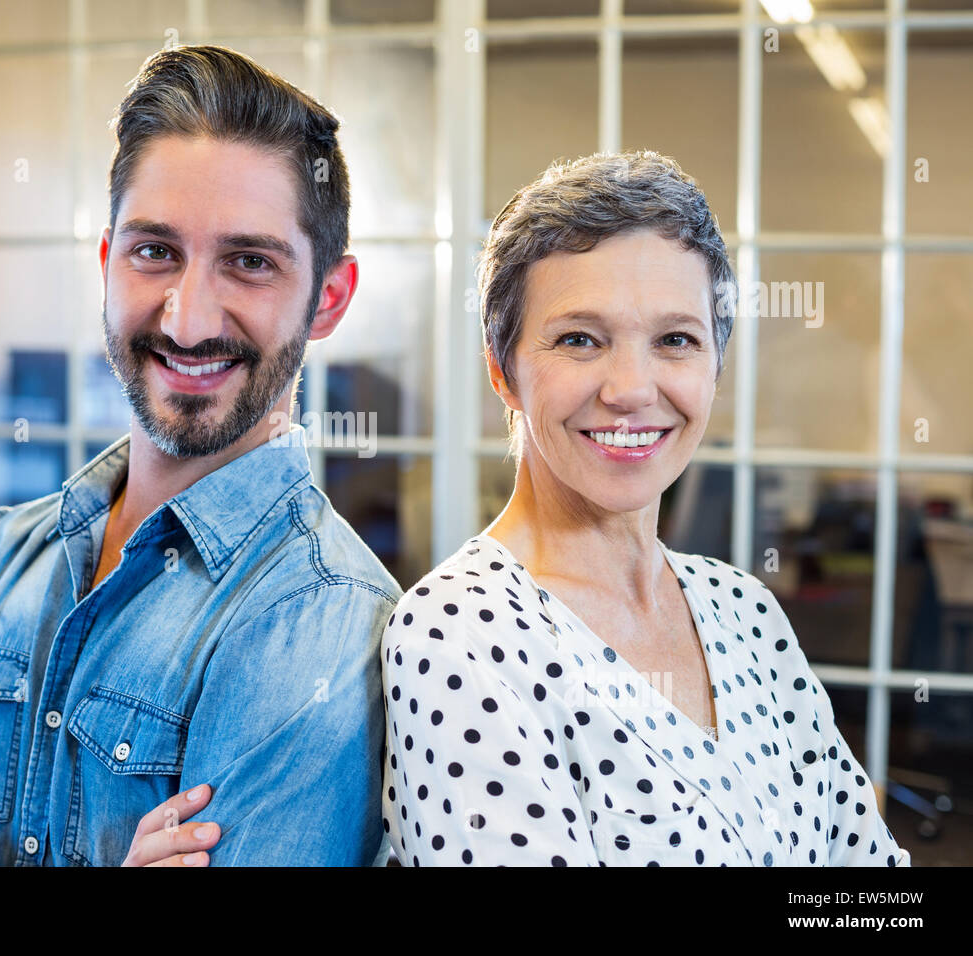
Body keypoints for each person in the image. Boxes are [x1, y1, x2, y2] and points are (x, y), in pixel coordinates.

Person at [0, 45, 399, 867]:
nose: (188, 319)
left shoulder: (321, 620)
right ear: (106, 263)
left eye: (250, 262)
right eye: (154, 251)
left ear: (327, 298)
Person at [380, 150, 910, 867]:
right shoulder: (458, 637)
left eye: (674, 341)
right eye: (579, 339)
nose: (631, 388)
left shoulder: (744, 609)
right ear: (502, 371)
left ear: (713, 367)